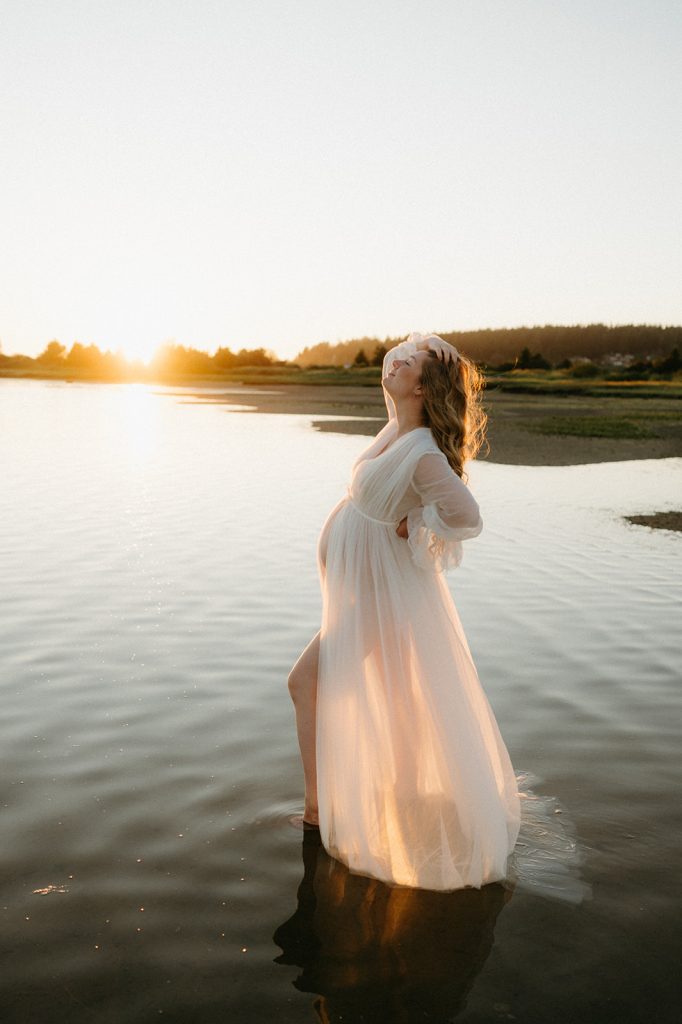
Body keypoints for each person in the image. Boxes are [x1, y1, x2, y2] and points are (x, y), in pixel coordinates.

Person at [287, 332, 521, 892]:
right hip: (366, 588)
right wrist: (429, 349)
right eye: (400, 355)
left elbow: (467, 518)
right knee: (397, 690)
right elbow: (414, 355)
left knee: (305, 684)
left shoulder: (421, 453)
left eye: (408, 362)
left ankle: (319, 809)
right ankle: (405, 791)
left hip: (378, 590)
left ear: (422, 385)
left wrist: (416, 525)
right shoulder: (398, 428)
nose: (395, 361)